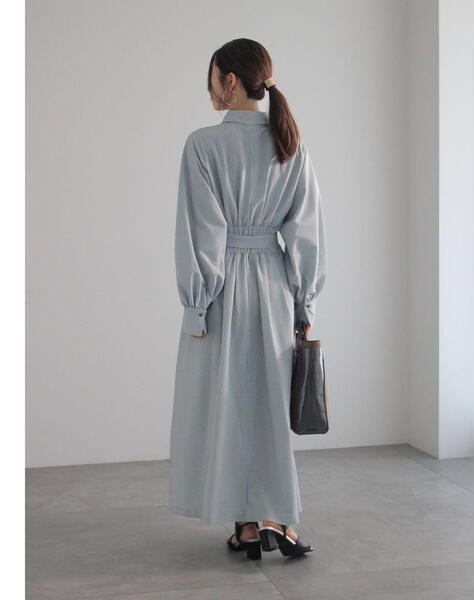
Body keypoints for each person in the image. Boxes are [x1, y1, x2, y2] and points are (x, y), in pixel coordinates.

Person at [168, 38, 326, 559]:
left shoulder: (203, 145)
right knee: (268, 408)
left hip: (221, 290)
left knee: (227, 406)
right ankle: (273, 518)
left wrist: (197, 304)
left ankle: (248, 524)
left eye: (212, 78)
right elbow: (306, 233)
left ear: (230, 81)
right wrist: (304, 302)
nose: (210, 89)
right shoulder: (291, 144)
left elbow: (202, 232)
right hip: (275, 286)